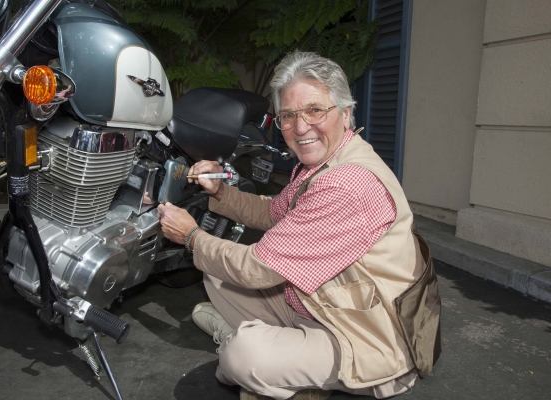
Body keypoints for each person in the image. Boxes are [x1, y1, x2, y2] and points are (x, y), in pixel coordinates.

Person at [158, 51, 441, 400]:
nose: (300, 127)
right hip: (319, 304)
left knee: (242, 356)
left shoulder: (346, 185)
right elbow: (272, 212)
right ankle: (281, 354)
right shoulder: (323, 164)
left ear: (346, 113)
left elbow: (257, 269)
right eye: (289, 116)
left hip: (364, 339)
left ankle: (247, 348)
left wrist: (190, 236)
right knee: (216, 272)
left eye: (315, 110)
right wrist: (220, 191)